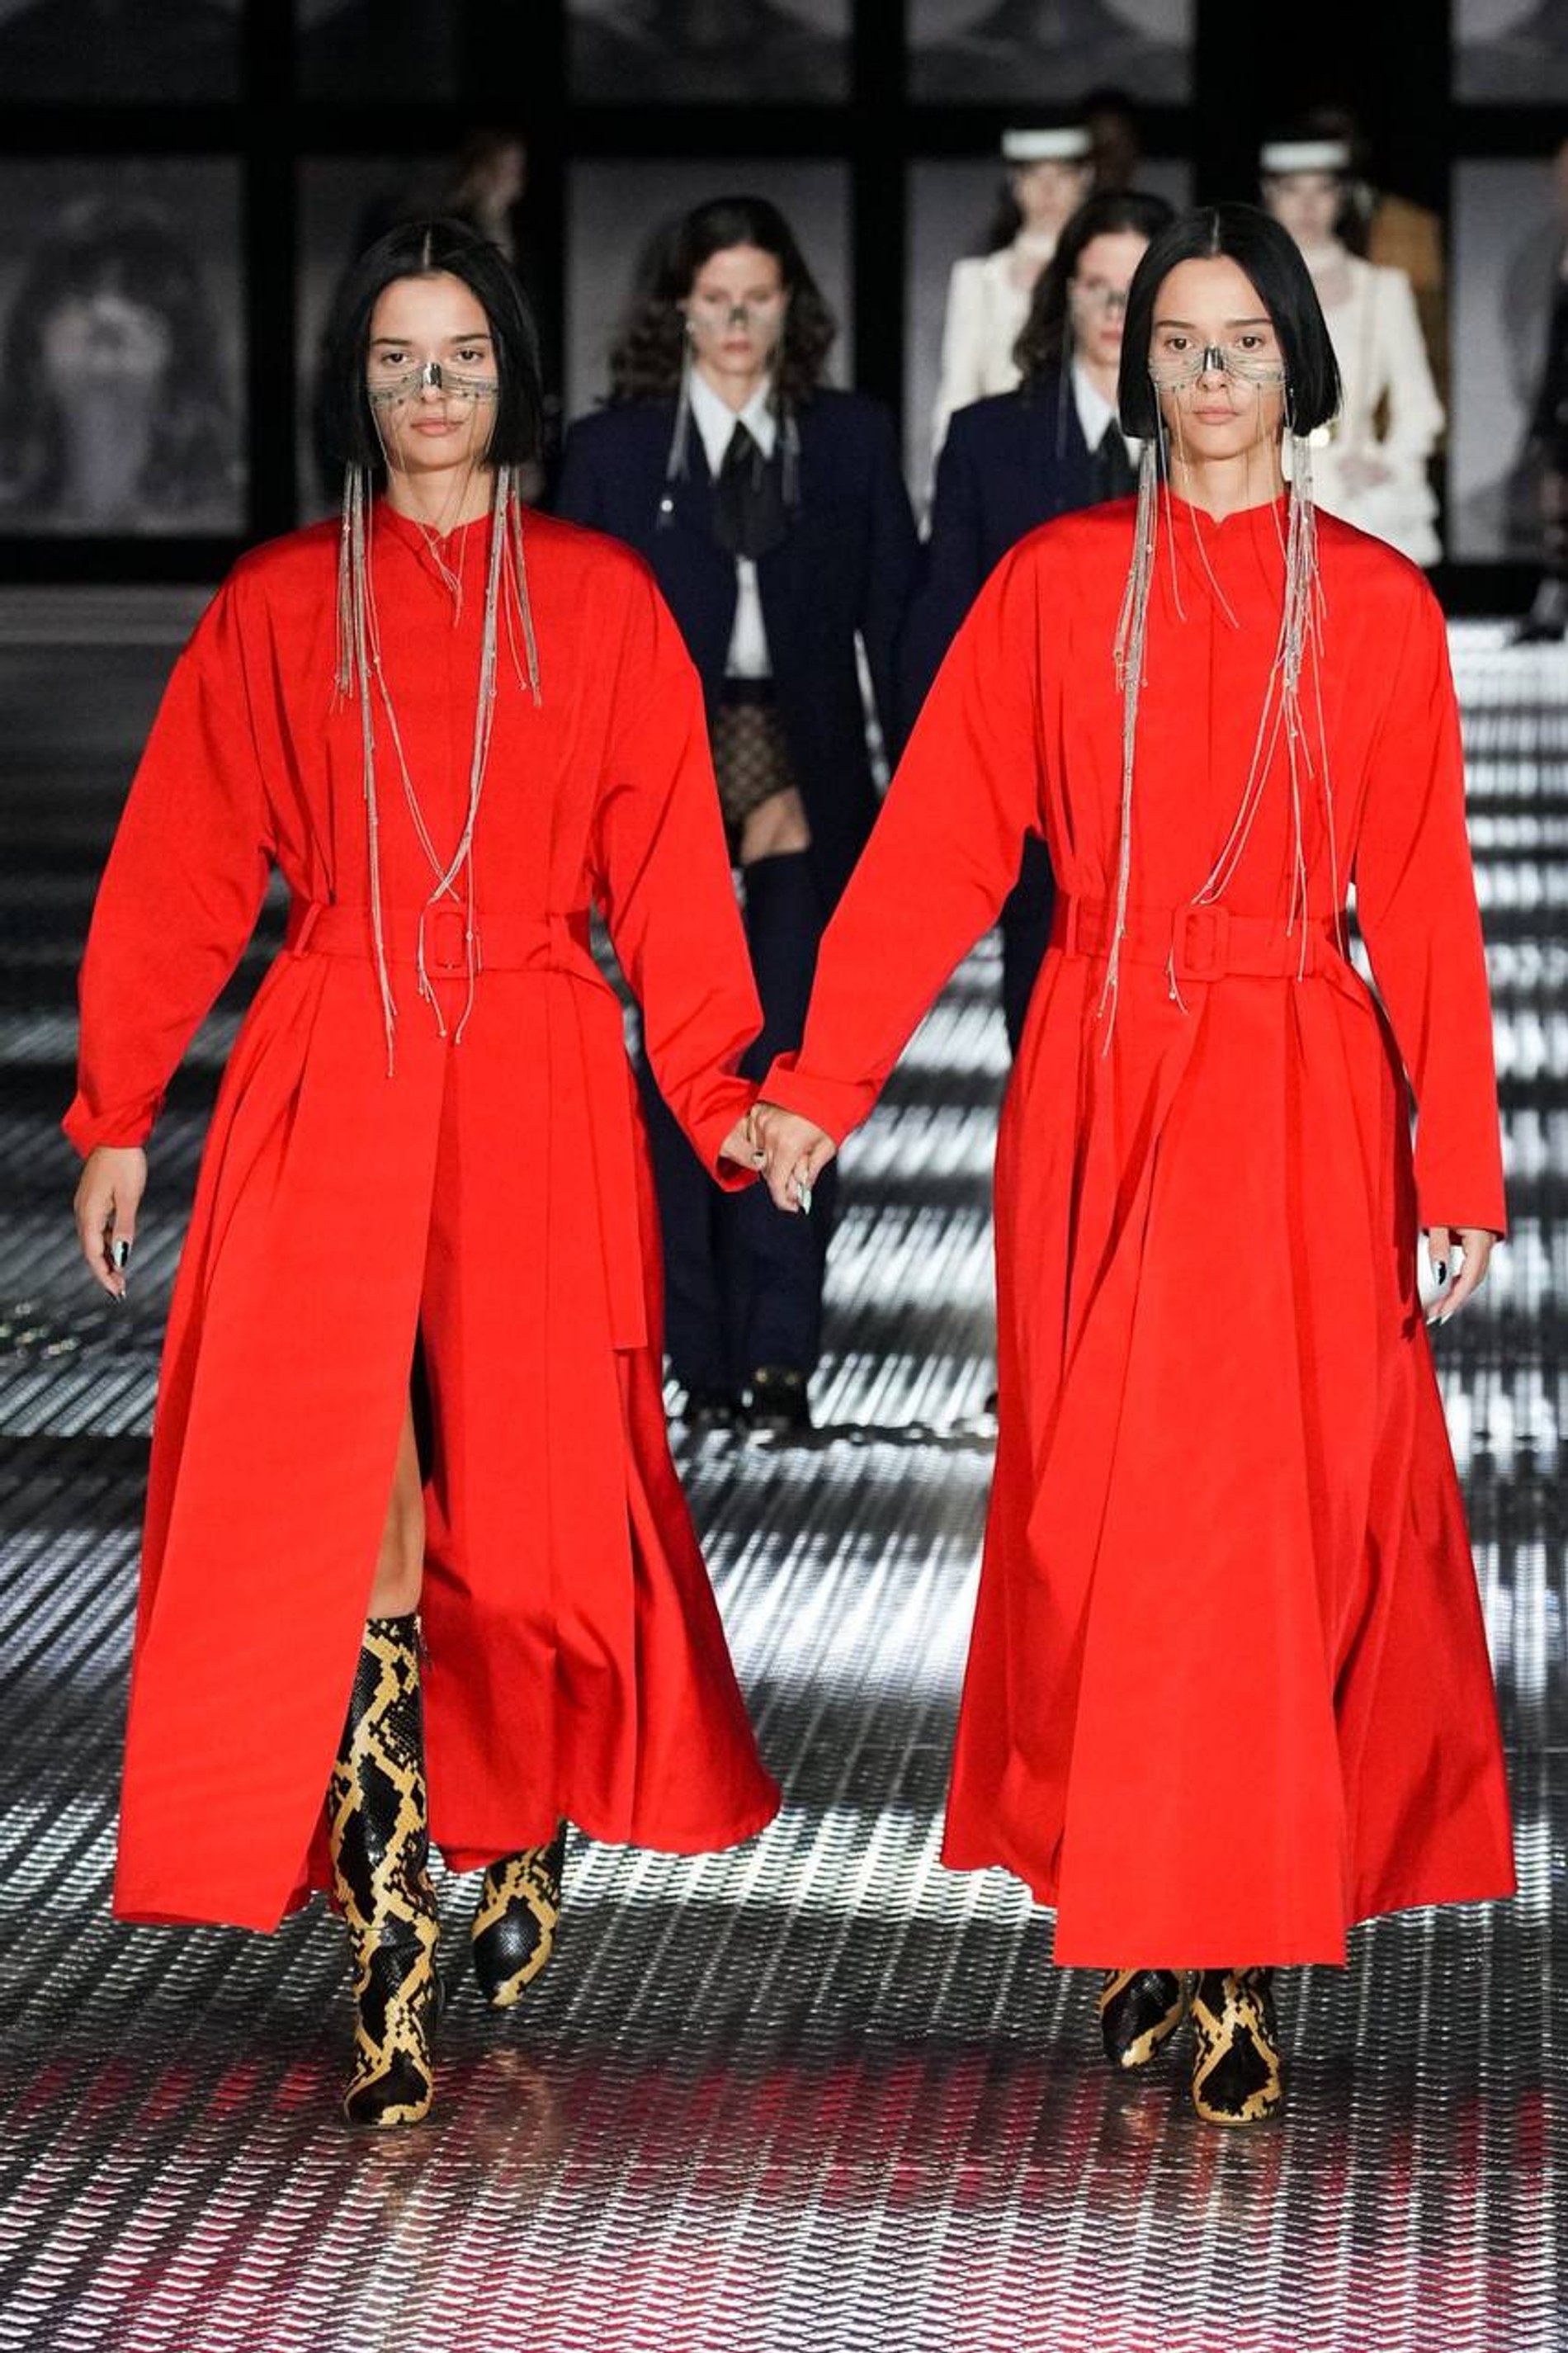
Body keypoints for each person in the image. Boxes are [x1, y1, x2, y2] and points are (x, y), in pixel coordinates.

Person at [749, 205, 1513, 2126]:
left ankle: (1230, 1937)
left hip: (1294, 1086)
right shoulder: (1054, 582)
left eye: (1242, 339)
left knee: (1260, 1531)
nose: (1208, 375)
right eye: (1176, 341)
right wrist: (820, 1082)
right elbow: (936, 842)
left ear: (1296, 363)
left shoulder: (1375, 608)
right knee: (1096, 1518)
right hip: (1094, 1075)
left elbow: (1421, 899)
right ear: (1132, 366)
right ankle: (1134, 1885)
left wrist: (1456, 1164)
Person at [64, 220, 780, 2129]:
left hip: (535, 1069)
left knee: (532, 1528)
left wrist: (721, 1092)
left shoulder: (601, 601)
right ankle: (387, 1942)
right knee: (350, 1512)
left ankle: (517, 1814)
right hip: (333, 1066)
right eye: (396, 359)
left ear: (512, 376)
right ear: (355, 387)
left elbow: (672, 869)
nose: (431, 391)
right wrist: (117, 1106)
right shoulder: (277, 603)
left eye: (461, 355)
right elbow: (184, 857)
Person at [556, 196, 918, 1436]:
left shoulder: (848, 441)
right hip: (657, 787)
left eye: (758, 299)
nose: (736, 323)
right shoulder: (613, 455)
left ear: (790, 306)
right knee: (678, 1064)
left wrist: (920, 808)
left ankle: (778, 1349)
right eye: (714, 300)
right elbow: (569, 650)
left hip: (803, 774)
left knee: (798, 1061)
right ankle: (697, 1349)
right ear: (676, 309)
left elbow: (895, 621)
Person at [904, 187, 1173, 1054]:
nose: (1115, 311)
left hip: (1188, 795)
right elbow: (943, 621)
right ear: (1065, 294)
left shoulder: (1215, 437)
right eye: (1097, 287)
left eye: (1135, 290)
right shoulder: (988, 442)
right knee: (1046, 1036)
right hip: (1039, 806)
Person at [0, 195, 239, 536]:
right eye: (84, 294)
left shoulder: (222, 515)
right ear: (37, 341)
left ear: (176, 347)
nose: (107, 313)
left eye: (135, 295)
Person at [1261, 134, 1445, 567]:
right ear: (1269, 193)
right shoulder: (1246, 286)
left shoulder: (1383, 290)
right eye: (1292, 190)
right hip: (1269, 483)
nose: (1308, 206)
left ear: (1341, 196)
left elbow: (1418, 402)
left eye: (1322, 189)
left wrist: (1393, 463)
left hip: (1356, 493)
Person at [931, 125, 1094, 461]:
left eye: (1062, 174)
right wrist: (945, 473)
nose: (1048, 190)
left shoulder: (1105, 275)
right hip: (998, 451)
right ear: (1015, 182)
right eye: (1034, 175)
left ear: (1085, 178)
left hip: (1086, 450)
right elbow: (958, 388)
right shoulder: (979, 278)